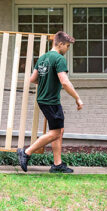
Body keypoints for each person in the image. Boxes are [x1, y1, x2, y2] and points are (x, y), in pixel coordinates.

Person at [17, 31, 83, 173]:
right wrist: (77, 98)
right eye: (67, 46)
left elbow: (33, 79)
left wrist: (47, 81)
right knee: (56, 133)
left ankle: (57, 164)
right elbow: (64, 82)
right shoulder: (59, 59)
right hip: (51, 101)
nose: (67, 49)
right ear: (60, 44)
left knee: (59, 130)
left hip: (43, 99)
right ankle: (26, 152)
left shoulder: (43, 58)